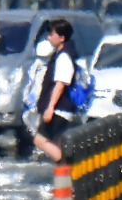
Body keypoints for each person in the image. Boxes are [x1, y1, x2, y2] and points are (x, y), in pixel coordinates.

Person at [34, 19, 77, 162]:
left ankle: (68, 169)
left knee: (40, 140)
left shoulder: (64, 56)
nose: (49, 37)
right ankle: (65, 179)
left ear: (62, 37)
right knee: (57, 144)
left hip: (59, 108)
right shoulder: (62, 54)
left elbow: (60, 84)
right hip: (61, 108)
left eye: (52, 34)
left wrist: (50, 108)